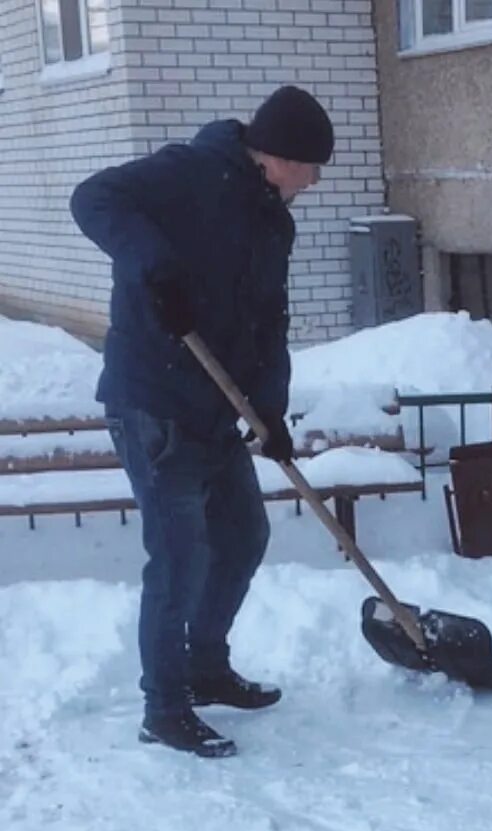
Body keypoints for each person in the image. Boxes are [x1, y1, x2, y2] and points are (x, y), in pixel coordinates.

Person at [69, 85, 335, 757]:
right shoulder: (187, 172)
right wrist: (156, 269)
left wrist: (269, 406)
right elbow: (93, 198)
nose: (316, 179)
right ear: (278, 155)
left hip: (216, 408)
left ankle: (205, 666)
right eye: (312, 166)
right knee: (180, 556)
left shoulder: (275, 220)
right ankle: (164, 705)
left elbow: (268, 321)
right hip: (154, 399)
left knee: (243, 536)